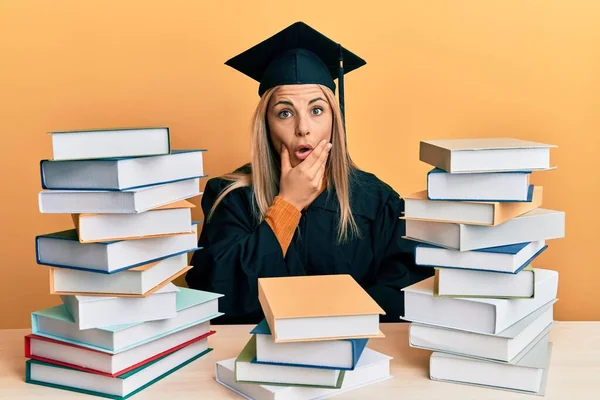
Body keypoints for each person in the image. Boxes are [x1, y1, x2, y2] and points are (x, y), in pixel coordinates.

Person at [185, 21, 433, 325]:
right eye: (285, 113)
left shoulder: (375, 198)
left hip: (350, 353)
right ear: (266, 124)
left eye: (316, 110)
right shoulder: (232, 197)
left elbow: (407, 289)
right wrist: (287, 206)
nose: (303, 128)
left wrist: (332, 318)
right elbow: (217, 293)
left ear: (334, 119)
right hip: (255, 357)